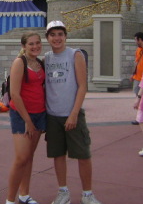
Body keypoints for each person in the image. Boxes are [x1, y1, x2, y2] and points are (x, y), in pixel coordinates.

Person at [44, 21, 102, 204]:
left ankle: (87, 194)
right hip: (52, 116)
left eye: (60, 34)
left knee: (83, 155)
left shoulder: (75, 55)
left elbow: (82, 86)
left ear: (65, 36)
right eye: (52, 35)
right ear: (48, 38)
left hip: (72, 114)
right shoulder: (46, 58)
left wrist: (74, 113)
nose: (57, 38)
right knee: (58, 155)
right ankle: (63, 192)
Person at [6, 31, 46, 204]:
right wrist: (28, 122)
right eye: (31, 44)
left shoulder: (40, 63)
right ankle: (10, 199)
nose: (35, 46)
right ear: (23, 46)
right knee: (21, 157)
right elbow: (15, 94)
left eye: (37, 43)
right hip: (22, 115)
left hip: (39, 113)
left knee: (29, 156)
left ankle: (24, 195)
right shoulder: (19, 63)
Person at [130, 32, 143, 125]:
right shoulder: (138, 50)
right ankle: (140, 118)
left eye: (135, 39)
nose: (135, 41)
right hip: (137, 78)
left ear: (140, 39)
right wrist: (133, 74)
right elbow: (136, 63)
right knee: (138, 97)